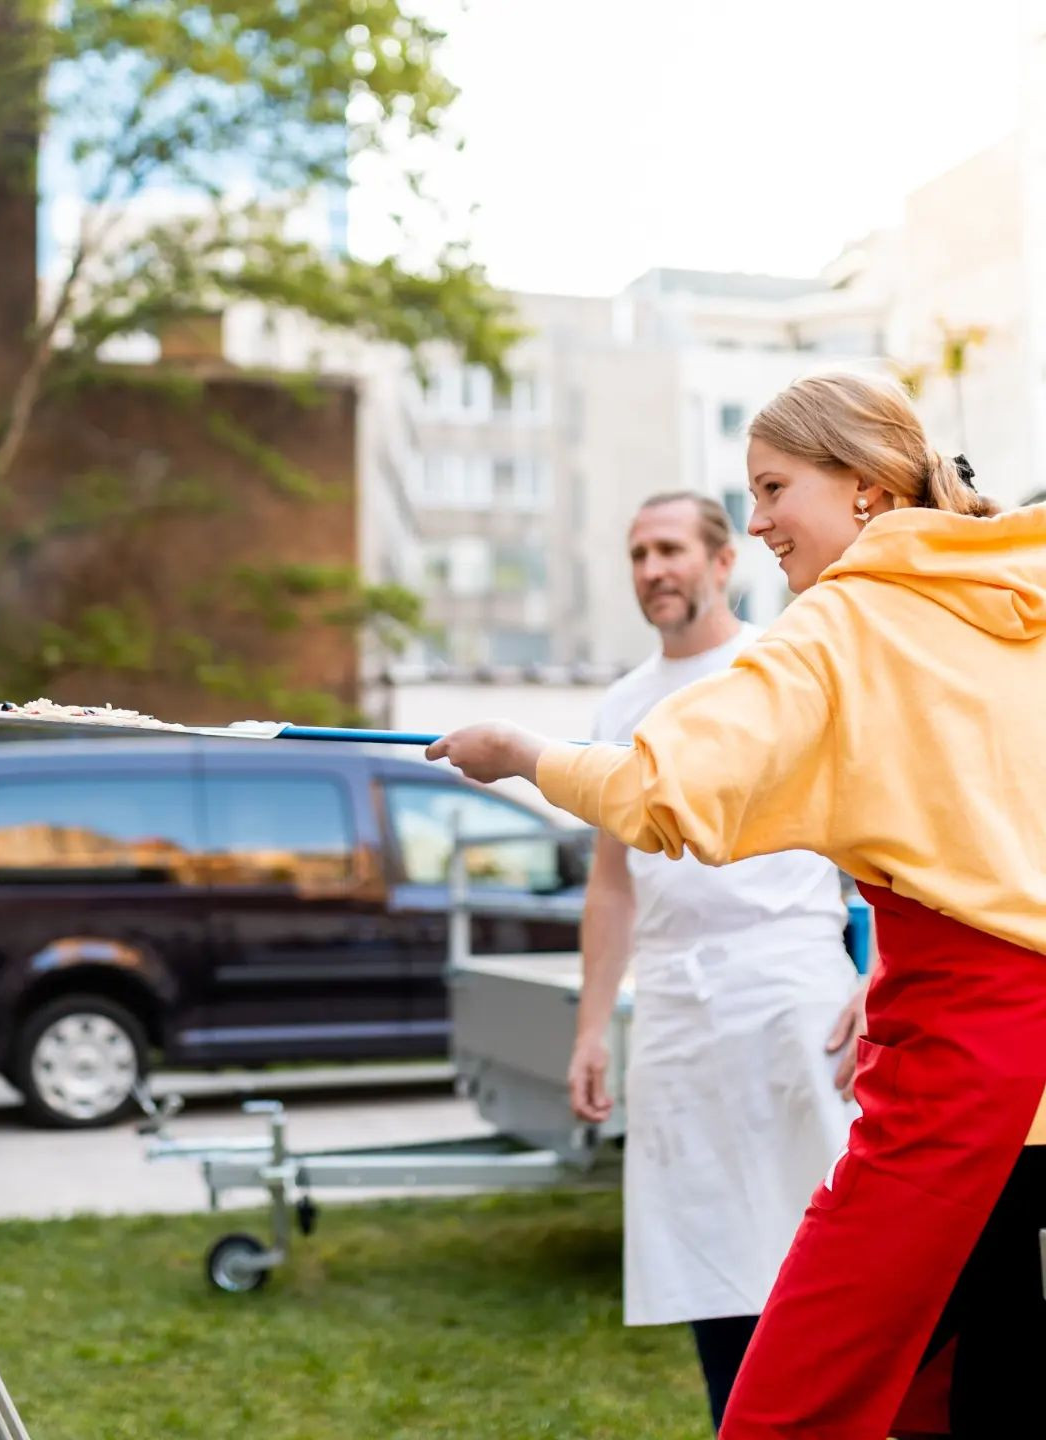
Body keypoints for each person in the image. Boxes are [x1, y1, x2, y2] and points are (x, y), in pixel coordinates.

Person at [426, 368, 1046, 1437]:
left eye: (772, 488)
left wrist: (524, 753)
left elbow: (661, 791)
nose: (757, 522)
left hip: (962, 1062)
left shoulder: (842, 624)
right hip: (997, 1055)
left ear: (862, 484)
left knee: (791, 1403)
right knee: (971, 1377)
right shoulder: (1014, 596)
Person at [569, 490, 862, 1433]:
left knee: (825, 1255)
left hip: (792, 995)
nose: (653, 570)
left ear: (723, 560)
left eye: (670, 550)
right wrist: (592, 1030)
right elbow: (612, 886)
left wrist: (878, 976)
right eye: (638, 554)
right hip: (675, 1016)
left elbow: (876, 833)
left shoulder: (782, 666)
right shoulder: (621, 705)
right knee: (710, 1260)